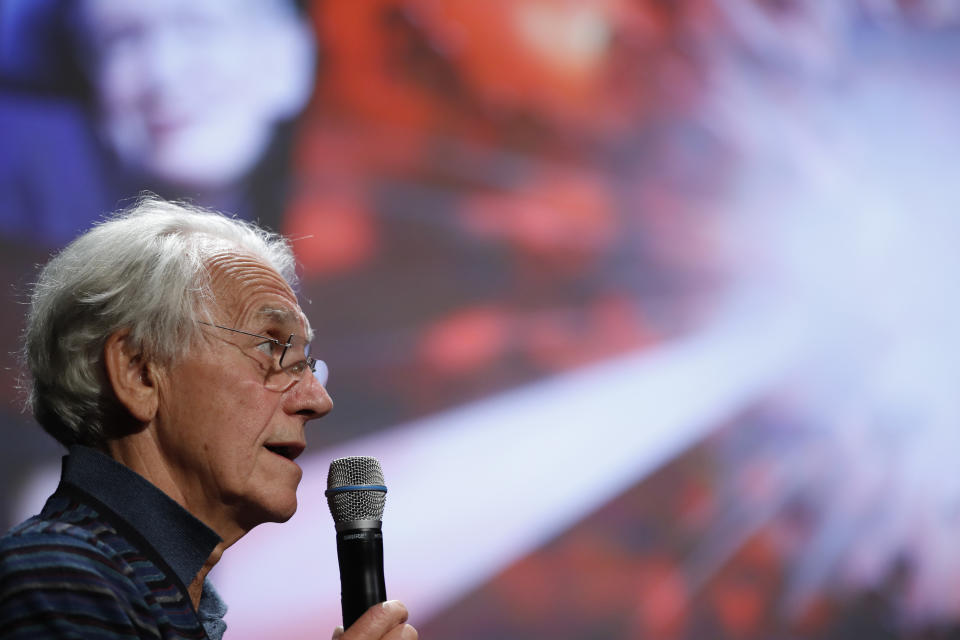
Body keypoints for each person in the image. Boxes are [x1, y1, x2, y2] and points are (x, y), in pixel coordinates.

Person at [0, 196, 417, 640]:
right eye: (272, 349)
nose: (318, 400)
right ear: (139, 372)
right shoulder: (59, 584)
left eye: (308, 364)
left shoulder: (145, 594)